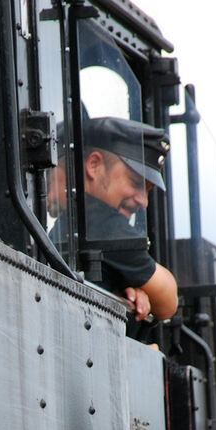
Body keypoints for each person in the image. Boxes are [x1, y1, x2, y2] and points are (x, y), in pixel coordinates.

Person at [48, 117, 178, 321]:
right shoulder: (101, 222)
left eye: (147, 191)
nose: (143, 202)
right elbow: (168, 301)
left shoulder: (70, 223)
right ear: (94, 165)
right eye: (135, 183)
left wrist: (119, 288)